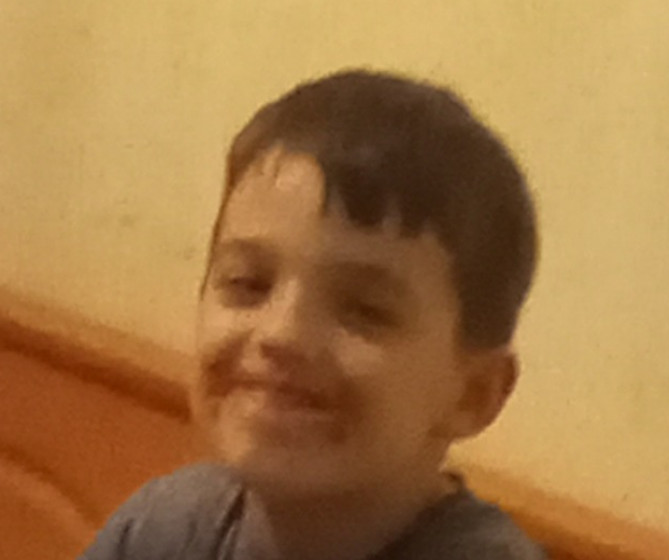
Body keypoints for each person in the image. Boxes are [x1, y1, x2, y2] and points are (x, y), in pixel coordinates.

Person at [80, 69, 545, 559]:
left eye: (364, 310)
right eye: (248, 284)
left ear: (473, 394)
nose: (281, 333)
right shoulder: (167, 525)